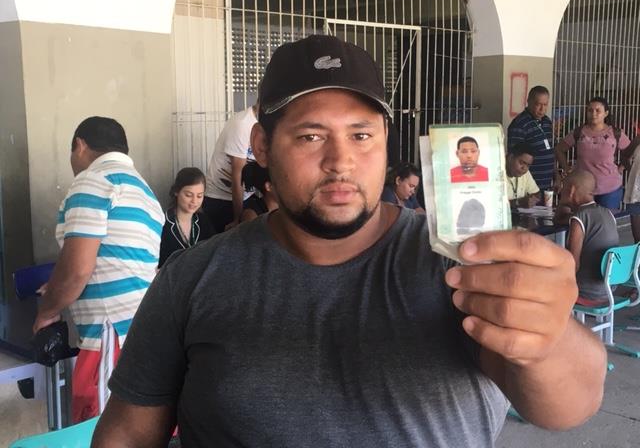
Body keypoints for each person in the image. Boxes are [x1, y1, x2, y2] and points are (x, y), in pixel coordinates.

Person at [93, 35, 606, 447]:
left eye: (361, 135)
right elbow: (129, 431)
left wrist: (548, 336)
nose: (340, 161)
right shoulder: (192, 279)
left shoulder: (455, 261)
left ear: (385, 141)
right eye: (311, 136)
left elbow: (569, 406)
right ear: (261, 147)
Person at [33, 116, 163, 423]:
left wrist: (47, 311)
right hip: (140, 334)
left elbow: (77, 270)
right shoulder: (145, 192)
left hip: (108, 340)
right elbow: (113, 261)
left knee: (102, 432)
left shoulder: (93, 180)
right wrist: (58, 284)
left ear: (80, 145)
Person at [554, 170, 619, 306]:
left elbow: (573, 264)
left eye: (563, 187)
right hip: (608, 290)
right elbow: (560, 220)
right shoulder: (607, 213)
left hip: (586, 292)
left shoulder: (579, 218)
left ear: (571, 190)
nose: (560, 191)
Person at [555, 96, 631, 210]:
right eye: (590, 110)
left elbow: (631, 152)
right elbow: (559, 149)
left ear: (606, 113)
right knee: (584, 219)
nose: (593, 114)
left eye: (598, 110)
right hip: (583, 189)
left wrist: (620, 169)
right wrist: (566, 168)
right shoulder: (579, 132)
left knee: (605, 219)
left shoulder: (615, 133)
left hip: (610, 189)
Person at [203, 103, 258, 233]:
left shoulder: (266, 123)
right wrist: (237, 218)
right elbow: (238, 175)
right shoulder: (242, 124)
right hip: (221, 198)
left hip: (246, 196)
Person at [159, 167, 215, 267]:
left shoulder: (203, 222)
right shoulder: (162, 224)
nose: (194, 201)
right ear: (176, 191)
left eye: (199, 196)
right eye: (188, 195)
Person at [507, 86, 555, 190]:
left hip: (547, 183)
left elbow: (550, 151)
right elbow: (515, 159)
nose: (542, 109)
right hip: (528, 186)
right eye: (538, 104)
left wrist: (556, 176)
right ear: (529, 101)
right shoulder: (520, 124)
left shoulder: (547, 122)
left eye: (545, 104)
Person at [506, 142, 541, 208]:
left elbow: (537, 194)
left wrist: (531, 199)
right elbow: (493, 204)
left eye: (528, 165)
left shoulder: (525, 173)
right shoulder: (496, 172)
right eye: (522, 163)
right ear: (510, 158)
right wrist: (518, 202)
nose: (524, 168)